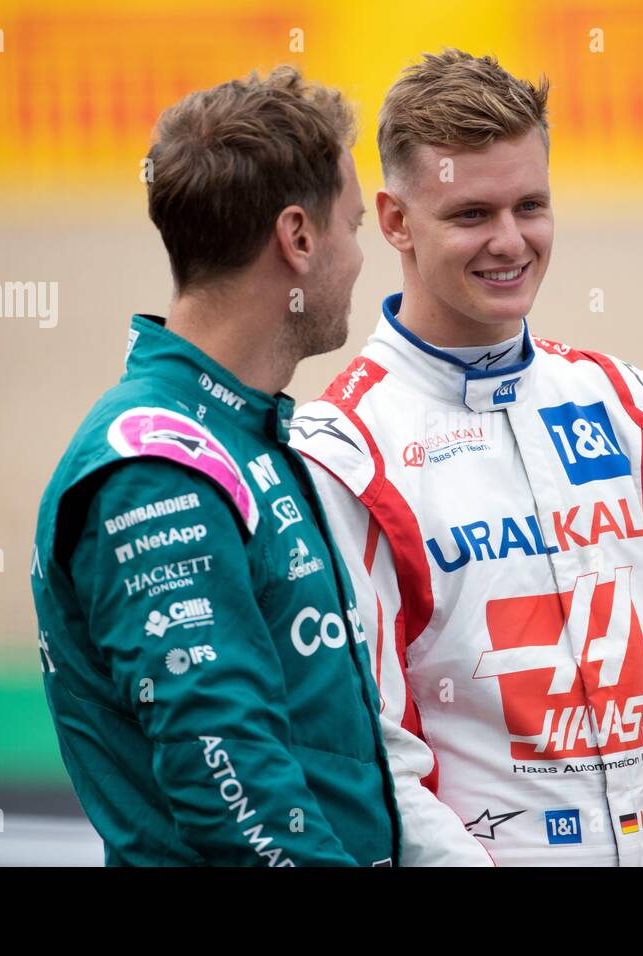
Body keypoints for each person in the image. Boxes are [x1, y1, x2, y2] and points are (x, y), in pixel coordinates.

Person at [290, 50, 643, 866]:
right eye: (472, 214)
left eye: (531, 205)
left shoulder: (635, 411)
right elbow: (378, 751)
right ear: (394, 220)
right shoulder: (343, 453)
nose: (510, 242)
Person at [30, 67, 399, 866]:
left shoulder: (238, 431)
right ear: (298, 238)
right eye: (354, 224)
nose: (362, 257)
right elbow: (231, 788)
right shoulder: (158, 464)